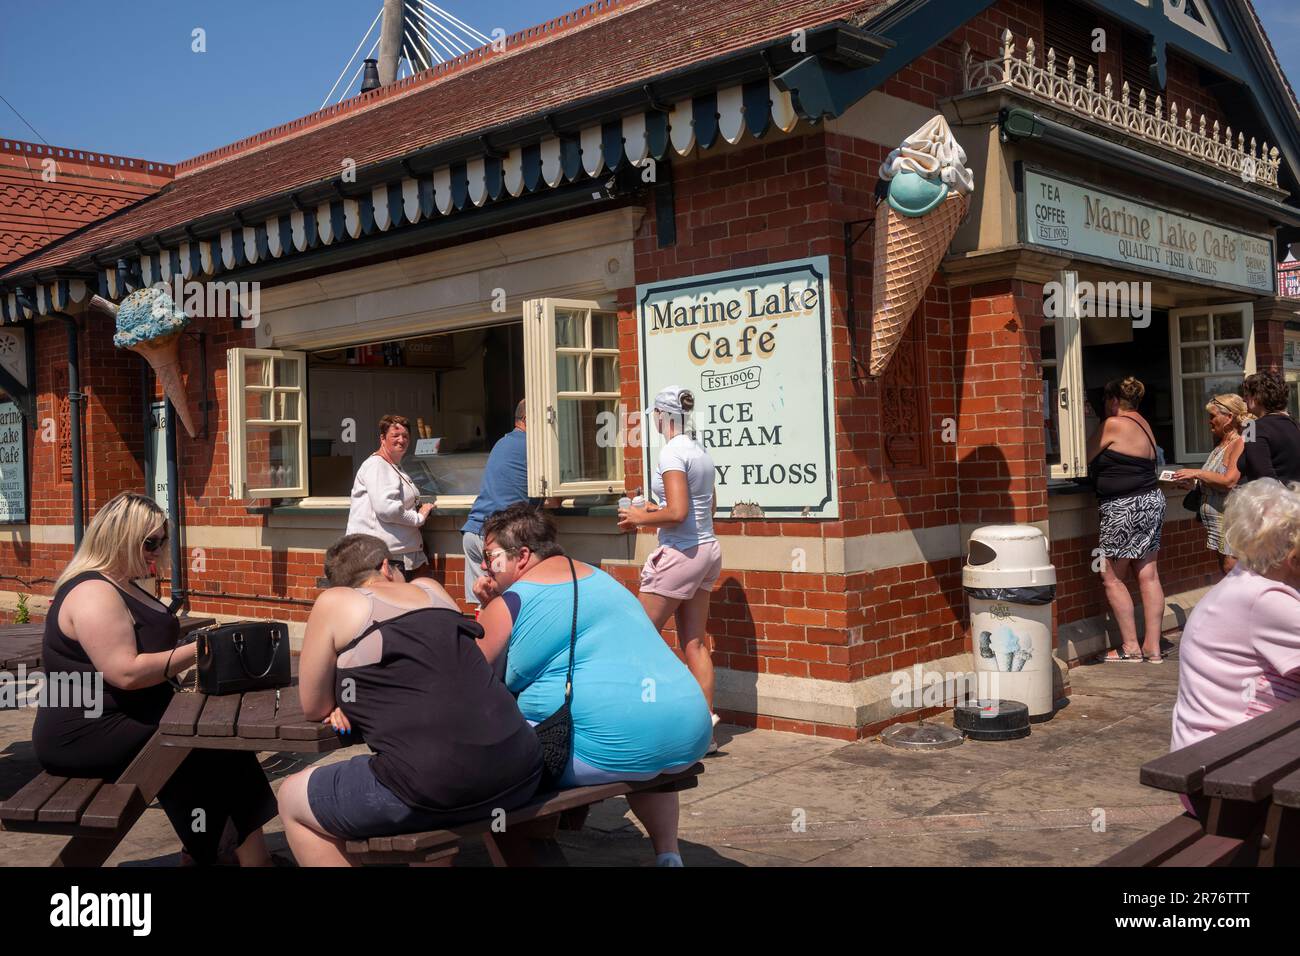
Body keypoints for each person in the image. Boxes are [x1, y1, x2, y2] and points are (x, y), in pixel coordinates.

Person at [32, 492, 276, 866]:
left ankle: (220, 853)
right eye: (150, 542)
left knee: (219, 746)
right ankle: (229, 855)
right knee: (200, 748)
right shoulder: (93, 592)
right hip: (86, 729)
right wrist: (201, 650)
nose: (158, 550)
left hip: (127, 716)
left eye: (162, 541)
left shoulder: (121, 583)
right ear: (119, 537)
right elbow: (125, 672)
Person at [277, 533, 542, 867]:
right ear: (387, 567)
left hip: (435, 786)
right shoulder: (433, 589)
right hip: (522, 767)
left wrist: (347, 697)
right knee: (426, 769)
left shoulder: (335, 601)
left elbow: (313, 706)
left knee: (290, 797)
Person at [473, 503, 711, 866]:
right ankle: (668, 854)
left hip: (606, 744)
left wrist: (486, 610)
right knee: (642, 744)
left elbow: (473, 677)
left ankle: (529, 852)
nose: (486, 566)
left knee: (489, 775)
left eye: (490, 557)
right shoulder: (601, 579)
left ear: (521, 556)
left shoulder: (510, 602)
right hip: (687, 728)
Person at [617, 386, 721, 745]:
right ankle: (704, 733)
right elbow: (707, 508)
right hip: (708, 550)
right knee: (695, 643)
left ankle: (650, 722)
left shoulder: (672, 453)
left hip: (681, 555)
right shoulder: (699, 450)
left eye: (655, 416)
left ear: (662, 415)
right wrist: (649, 512)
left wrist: (638, 517)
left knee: (637, 638)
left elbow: (676, 513)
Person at [1170, 479, 1300, 759]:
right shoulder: (1264, 600)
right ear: (1291, 556)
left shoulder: (1247, 580)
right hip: (1228, 766)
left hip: (1215, 755)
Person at [1086, 376, 1167, 663]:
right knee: (1148, 574)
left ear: (1113, 400)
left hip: (1123, 506)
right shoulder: (1143, 423)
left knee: (1110, 576)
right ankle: (1153, 647)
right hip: (1151, 501)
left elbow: (1083, 455)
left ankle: (1131, 646)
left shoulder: (1113, 424)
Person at [462, 400, 538, 606]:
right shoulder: (534, 448)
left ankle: (479, 638)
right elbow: (553, 497)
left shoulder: (502, 442)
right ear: (528, 419)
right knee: (504, 604)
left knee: (483, 603)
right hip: (498, 541)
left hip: (473, 533)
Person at [346, 414, 434, 580]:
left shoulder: (393, 466)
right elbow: (388, 510)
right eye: (395, 435)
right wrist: (419, 517)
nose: (401, 440)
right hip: (384, 559)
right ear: (382, 438)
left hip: (399, 554)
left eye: (405, 436)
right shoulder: (377, 465)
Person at [1172, 395, 1249, 576]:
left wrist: (1197, 472)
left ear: (1229, 417)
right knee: (1225, 570)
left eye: (1213, 416)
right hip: (1217, 524)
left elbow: (1229, 481)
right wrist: (1193, 485)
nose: (1209, 421)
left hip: (1230, 521)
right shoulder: (1221, 444)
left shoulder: (1239, 442)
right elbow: (1215, 480)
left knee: (1232, 572)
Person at [1239, 370, 1300, 484]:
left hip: (1272, 499)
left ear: (1257, 397)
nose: (1243, 399)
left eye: (1247, 395)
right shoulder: (1295, 425)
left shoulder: (1251, 427)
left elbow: (1263, 475)